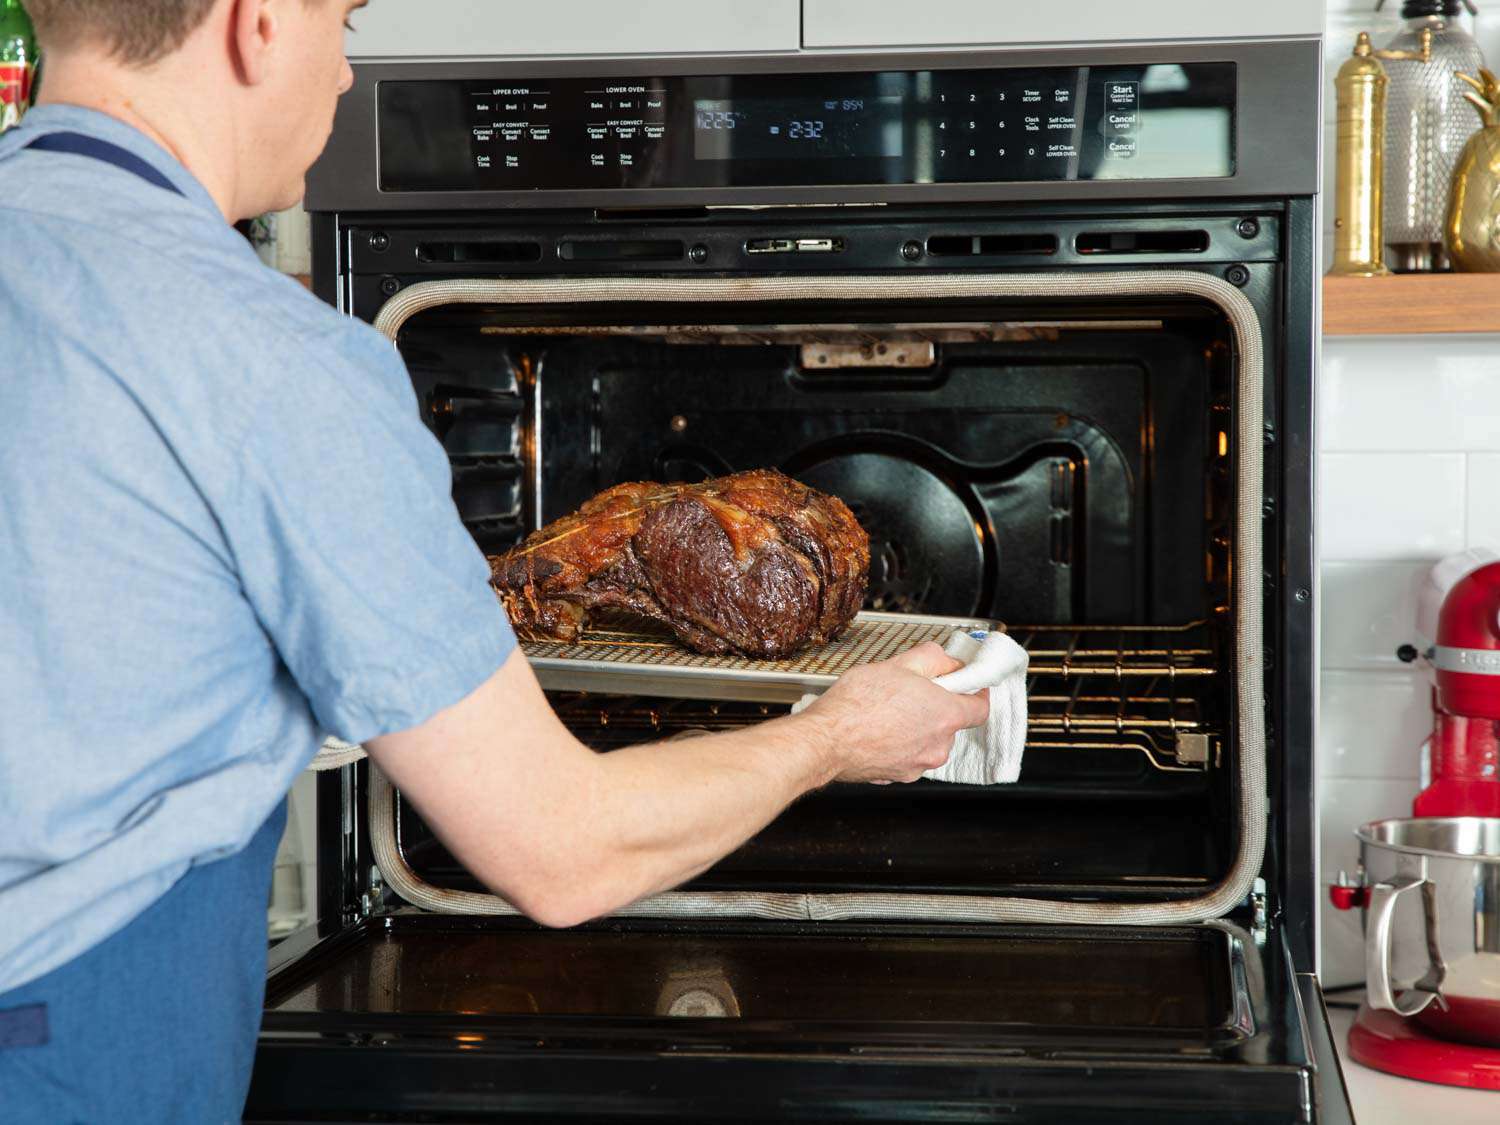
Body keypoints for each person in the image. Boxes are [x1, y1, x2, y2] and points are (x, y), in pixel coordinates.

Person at [0, 1, 987, 1120]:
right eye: (347, 27)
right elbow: (563, 852)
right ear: (258, 23)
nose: (341, 79)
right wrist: (837, 738)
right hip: (65, 1041)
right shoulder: (266, 361)